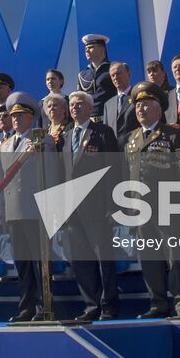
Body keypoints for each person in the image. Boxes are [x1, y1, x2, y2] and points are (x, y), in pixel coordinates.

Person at [126, 81, 180, 318]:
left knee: (175, 258)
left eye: (146, 105)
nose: (141, 110)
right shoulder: (131, 138)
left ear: (158, 109)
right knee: (150, 259)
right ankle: (157, 303)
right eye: (138, 106)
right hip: (141, 208)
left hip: (167, 206)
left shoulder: (172, 134)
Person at [0, 92, 56, 323]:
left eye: (22, 115)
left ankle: (45, 304)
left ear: (32, 117)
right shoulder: (6, 145)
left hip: (35, 210)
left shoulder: (43, 140)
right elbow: (1, 183)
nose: (17, 120)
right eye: (14, 116)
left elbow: (50, 174)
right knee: (22, 263)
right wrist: (1, 211)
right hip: (13, 211)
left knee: (40, 261)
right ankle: (26, 306)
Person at [61, 90, 120, 320]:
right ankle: (91, 304)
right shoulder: (66, 136)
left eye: (79, 104)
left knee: (102, 256)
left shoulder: (102, 132)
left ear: (89, 107)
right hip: (73, 209)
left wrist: (112, 204)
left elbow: (113, 169)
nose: (74, 108)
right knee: (81, 258)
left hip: (97, 205)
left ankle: (109, 304)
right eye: (72, 104)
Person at [79, 33, 117, 111]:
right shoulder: (82, 75)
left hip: (109, 118)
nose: (87, 51)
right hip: (89, 119)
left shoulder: (112, 69)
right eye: (86, 48)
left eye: (90, 47)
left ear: (102, 49)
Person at [102, 61, 139, 138]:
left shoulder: (138, 97)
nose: (115, 77)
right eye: (112, 75)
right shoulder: (108, 105)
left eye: (118, 73)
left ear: (129, 74)